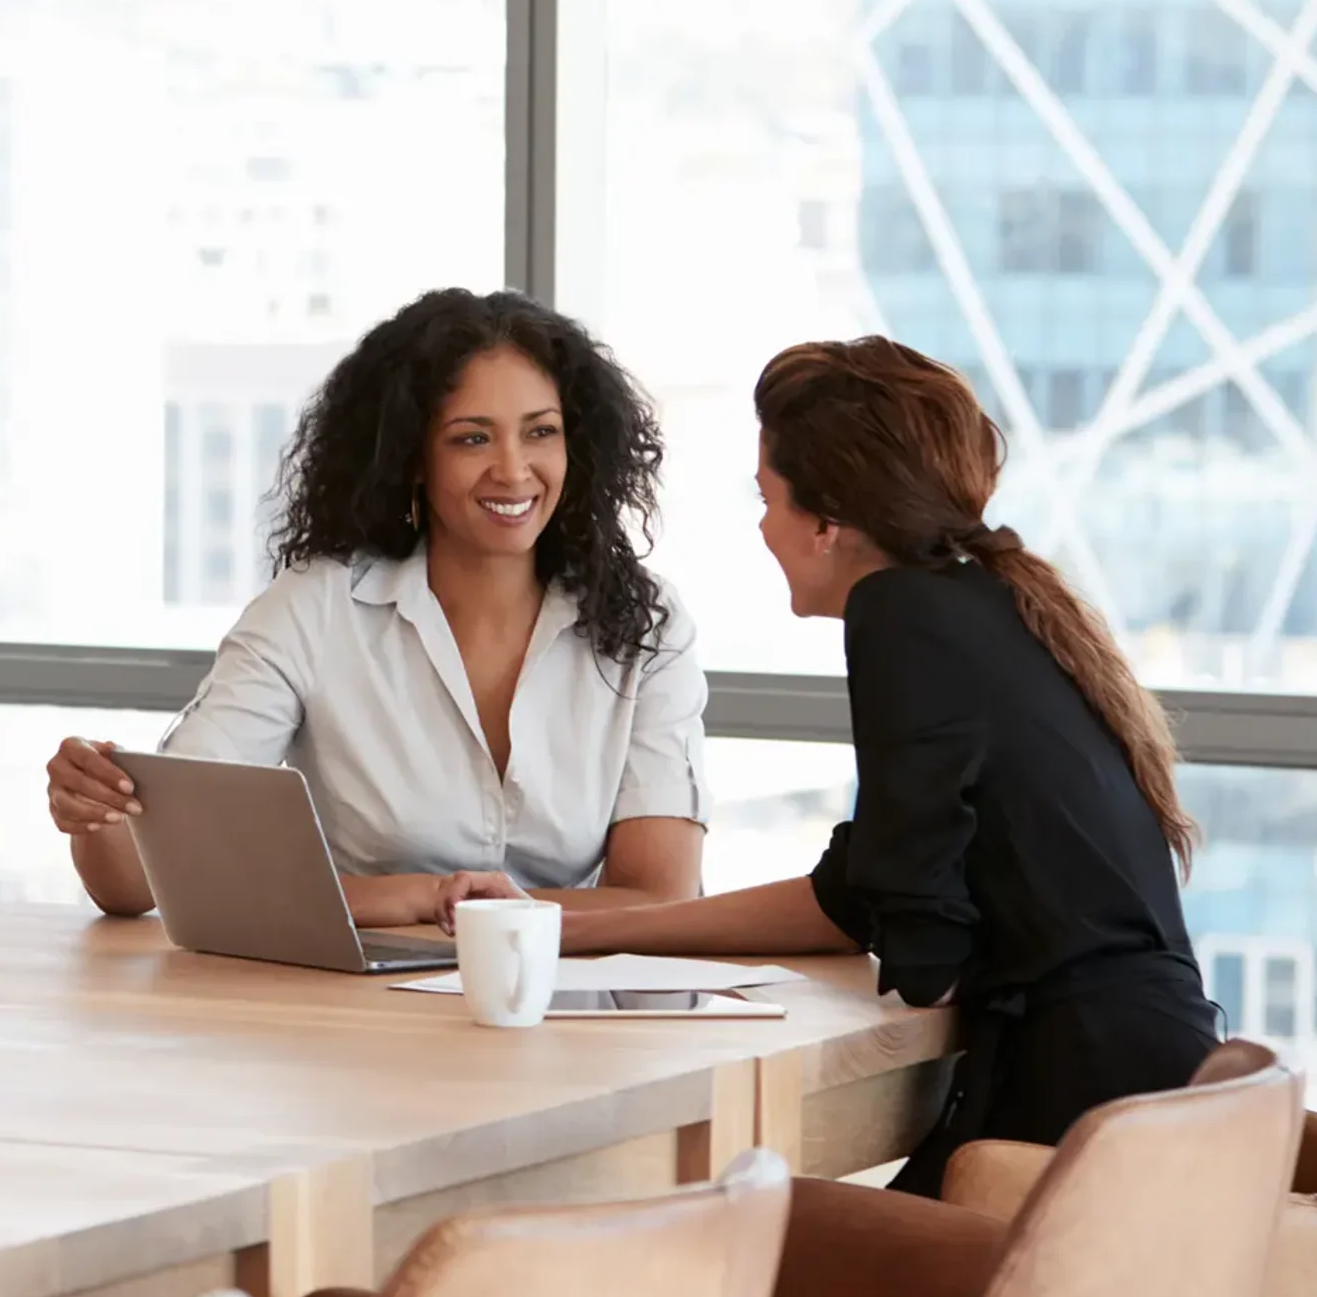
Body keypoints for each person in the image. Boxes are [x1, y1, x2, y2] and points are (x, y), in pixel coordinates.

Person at [446, 337, 1220, 1196]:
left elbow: (924, 954)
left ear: (827, 525)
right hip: (1145, 1085)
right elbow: (853, 900)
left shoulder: (900, 613)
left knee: (739, 1228)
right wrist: (565, 924)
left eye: (767, 498)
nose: (762, 526)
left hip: (1082, 1106)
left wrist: (900, 904)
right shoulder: (982, 602)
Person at [44, 289, 710, 924]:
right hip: (352, 996)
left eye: (540, 432)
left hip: (568, 994)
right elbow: (142, 876)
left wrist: (450, 910)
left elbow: (660, 898)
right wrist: (94, 805)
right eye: (472, 439)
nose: (513, 470)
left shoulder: (645, 625)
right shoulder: (316, 609)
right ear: (412, 456)